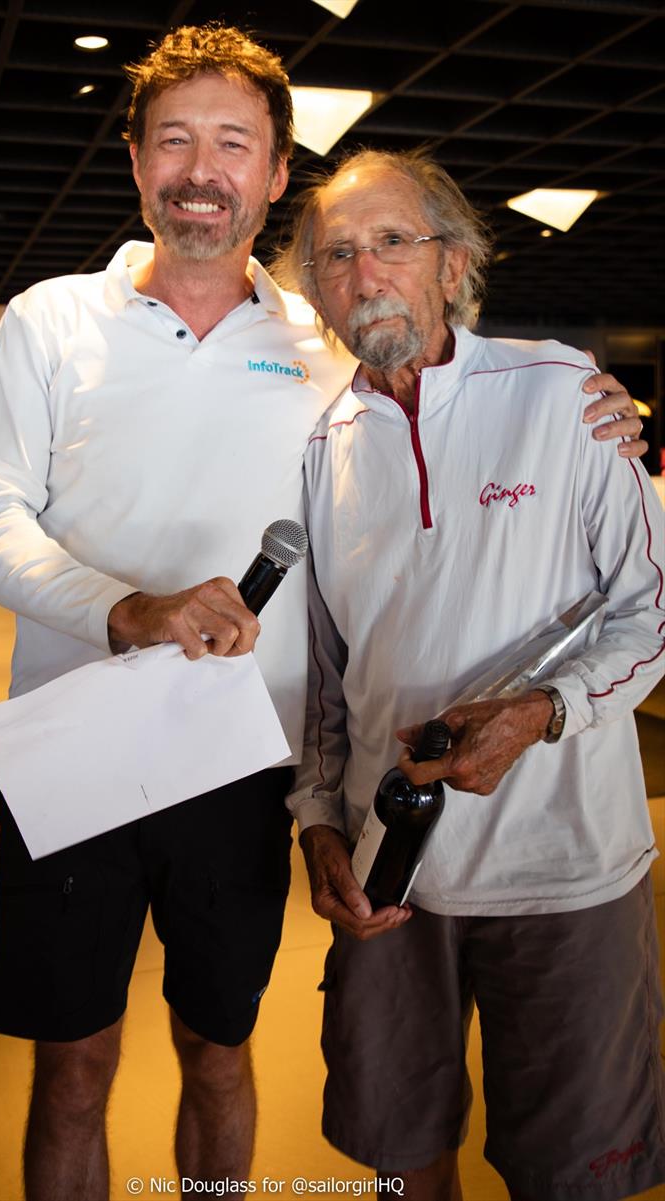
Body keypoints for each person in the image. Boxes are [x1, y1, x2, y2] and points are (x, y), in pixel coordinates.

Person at [0, 23, 645, 1201]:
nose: (200, 170)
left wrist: (606, 410)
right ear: (134, 163)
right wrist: (122, 607)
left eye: (233, 144)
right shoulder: (49, 320)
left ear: (273, 175)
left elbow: (439, 414)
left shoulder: (324, 348)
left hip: (238, 763)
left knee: (218, 1055)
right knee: (71, 1067)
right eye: (173, 141)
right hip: (73, 749)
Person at [277, 147, 665, 1201]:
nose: (364, 275)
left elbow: (651, 611)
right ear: (313, 290)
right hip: (391, 877)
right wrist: (318, 827)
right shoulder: (318, 448)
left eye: (391, 243)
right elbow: (321, 678)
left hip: (567, 870)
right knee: (402, 1154)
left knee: (575, 1171)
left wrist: (541, 710)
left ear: (451, 264)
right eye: (335, 256)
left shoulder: (561, 394)